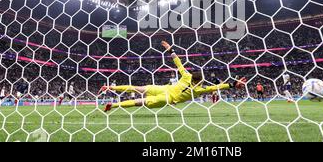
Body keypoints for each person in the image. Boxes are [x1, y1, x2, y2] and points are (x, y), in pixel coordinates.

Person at [100, 41, 246, 112]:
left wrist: (171, 50)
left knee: (136, 88)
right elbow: (217, 86)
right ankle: (113, 105)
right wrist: (233, 84)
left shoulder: (186, 76)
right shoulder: (199, 90)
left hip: (162, 89)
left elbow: (179, 63)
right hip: (166, 98)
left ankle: (110, 87)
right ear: (200, 80)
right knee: (139, 101)